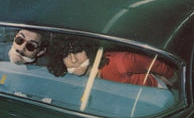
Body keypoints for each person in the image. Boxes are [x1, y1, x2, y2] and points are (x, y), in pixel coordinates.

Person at [47, 36, 176, 88]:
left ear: (88, 50)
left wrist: (173, 79)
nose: (74, 60)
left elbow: (157, 65)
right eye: (65, 55)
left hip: (152, 93)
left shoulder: (121, 62)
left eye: (77, 51)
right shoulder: (67, 77)